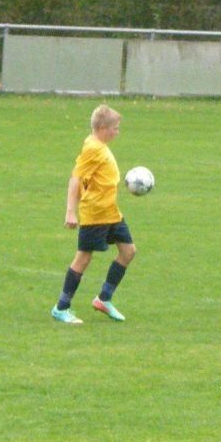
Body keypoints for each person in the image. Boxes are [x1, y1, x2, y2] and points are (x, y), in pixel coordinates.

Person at [51, 104, 136, 324]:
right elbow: (76, 178)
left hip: (111, 212)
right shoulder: (93, 148)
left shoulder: (100, 146)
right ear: (102, 128)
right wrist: (70, 212)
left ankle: (104, 299)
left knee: (128, 251)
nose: (117, 132)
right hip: (95, 213)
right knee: (83, 258)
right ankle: (61, 307)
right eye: (115, 128)